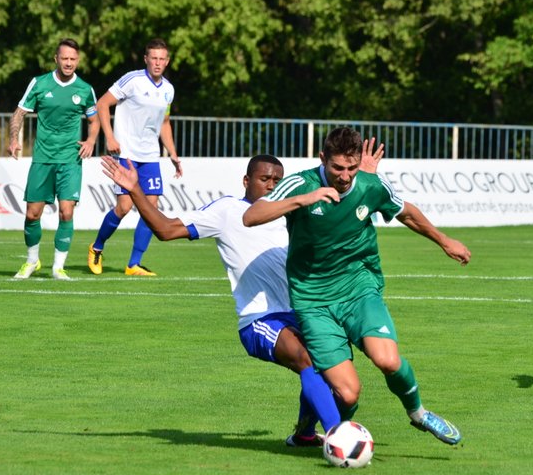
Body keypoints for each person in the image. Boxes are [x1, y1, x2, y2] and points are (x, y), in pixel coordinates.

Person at [99, 141, 383, 445]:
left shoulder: (295, 213)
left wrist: (360, 179)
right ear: (246, 181)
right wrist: (136, 191)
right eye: (264, 179)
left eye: (277, 180)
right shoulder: (228, 211)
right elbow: (166, 230)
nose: (271, 185)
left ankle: (303, 433)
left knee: (336, 375)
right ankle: (339, 437)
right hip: (260, 319)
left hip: (303, 312)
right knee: (307, 358)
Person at [243, 127, 471, 445]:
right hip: (314, 301)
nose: (346, 176)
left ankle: (418, 414)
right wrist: (303, 200)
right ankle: (316, 433)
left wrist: (444, 240)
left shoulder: (369, 185)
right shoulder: (301, 184)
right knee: (348, 393)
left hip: (359, 289)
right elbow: (251, 216)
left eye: (352, 168)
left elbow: (408, 214)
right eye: (338, 168)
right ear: (322, 159)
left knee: (388, 360)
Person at [8, 38, 100, 281]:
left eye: (73, 59)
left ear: (77, 60)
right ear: (56, 59)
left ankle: (58, 267)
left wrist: (91, 141)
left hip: (70, 160)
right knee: (32, 215)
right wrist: (13, 139)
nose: (68, 63)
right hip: (43, 158)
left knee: (67, 212)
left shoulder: (85, 89)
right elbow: (19, 113)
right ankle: (31, 261)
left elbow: (95, 120)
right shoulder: (39, 83)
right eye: (64, 58)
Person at [88, 38, 181, 277]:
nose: (158, 63)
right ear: (146, 59)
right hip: (126, 153)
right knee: (124, 207)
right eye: (154, 58)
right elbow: (102, 103)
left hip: (150, 156)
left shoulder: (168, 90)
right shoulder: (133, 80)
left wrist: (172, 152)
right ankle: (97, 247)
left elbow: (165, 123)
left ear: (167, 61)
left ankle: (133, 264)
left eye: (162, 59)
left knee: (152, 209)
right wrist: (109, 137)